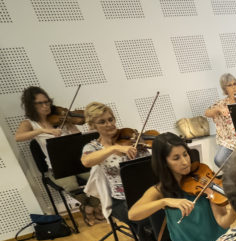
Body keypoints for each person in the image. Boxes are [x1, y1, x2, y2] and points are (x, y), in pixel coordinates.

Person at [14, 86, 96, 224]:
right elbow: (18, 137)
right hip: (57, 166)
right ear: (31, 105)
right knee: (71, 185)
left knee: (97, 176)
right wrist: (42, 131)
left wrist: (70, 125)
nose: (46, 106)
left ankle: (92, 206)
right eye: (40, 103)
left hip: (77, 162)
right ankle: (88, 207)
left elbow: (78, 140)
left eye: (47, 102)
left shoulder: (60, 119)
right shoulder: (30, 123)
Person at [80, 102, 151, 226]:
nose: (109, 124)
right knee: (148, 217)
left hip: (148, 191)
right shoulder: (93, 147)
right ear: (92, 126)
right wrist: (112, 149)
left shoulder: (130, 137)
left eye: (111, 119)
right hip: (123, 199)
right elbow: (86, 161)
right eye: (102, 122)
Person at [204, 73, 236, 167]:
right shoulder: (222, 103)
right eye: (230, 85)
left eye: (235, 84)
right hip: (229, 140)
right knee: (219, 160)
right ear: (225, 89)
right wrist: (218, 109)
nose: (234, 87)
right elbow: (207, 113)